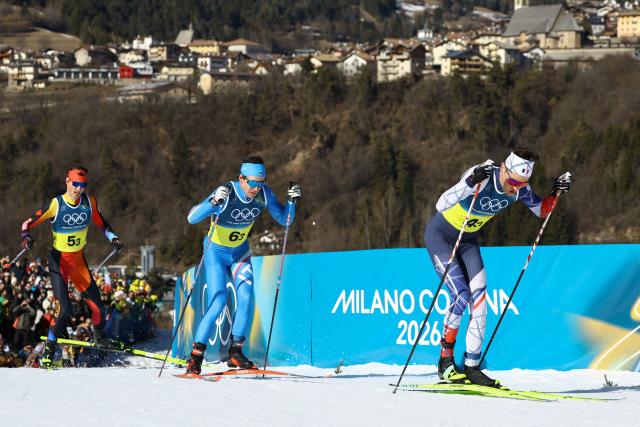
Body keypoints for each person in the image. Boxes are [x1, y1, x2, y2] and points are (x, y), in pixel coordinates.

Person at [424, 148, 571, 386]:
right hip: (441, 236)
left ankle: (472, 367)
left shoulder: (520, 188)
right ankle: (445, 362)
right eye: (513, 181)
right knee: (460, 295)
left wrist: (555, 192)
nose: (515, 188)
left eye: (522, 183)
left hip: (468, 240)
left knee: (480, 300)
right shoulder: (482, 175)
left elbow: (542, 211)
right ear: (503, 168)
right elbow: (441, 204)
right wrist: (470, 182)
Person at [184, 156, 302, 375]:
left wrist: (292, 202)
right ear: (241, 178)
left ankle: (235, 352)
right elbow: (191, 218)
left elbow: (285, 220)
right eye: (253, 183)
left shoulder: (264, 194)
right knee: (218, 301)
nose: (256, 188)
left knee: (247, 297)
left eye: (261, 182)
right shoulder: (227, 192)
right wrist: (212, 204)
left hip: (240, 252)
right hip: (216, 253)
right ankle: (196, 356)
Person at [19, 166, 124, 368]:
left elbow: (103, 224)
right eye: (75, 184)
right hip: (59, 261)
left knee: (98, 308)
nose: (78, 189)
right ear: (67, 182)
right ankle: (49, 348)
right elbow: (27, 223)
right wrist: (25, 238)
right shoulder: (56, 204)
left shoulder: (89, 202)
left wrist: (114, 238)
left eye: (83, 185)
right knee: (64, 309)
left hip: (78, 261)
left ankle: (99, 338)